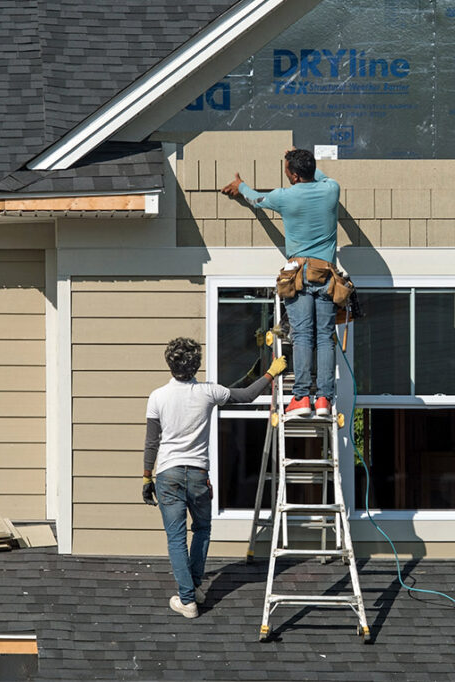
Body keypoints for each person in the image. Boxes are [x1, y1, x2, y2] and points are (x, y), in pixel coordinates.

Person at [142, 337, 286, 618]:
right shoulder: (208, 392)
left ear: (169, 363)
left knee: (175, 538)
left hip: (168, 474)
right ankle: (192, 588)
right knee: (203, 529)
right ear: (196, 365)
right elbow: (246, 396)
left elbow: (151, 443)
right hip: (197, 474)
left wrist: (147, 477)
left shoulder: (157, 396)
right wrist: (271, 372)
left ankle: (188, 598)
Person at [221, 148, 340, 419]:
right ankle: (323, 399)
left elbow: (256, 199)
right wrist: (304, 162)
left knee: (302, 335)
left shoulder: (284, 197)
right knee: (324, 338)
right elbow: (319, 177)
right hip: (327, 276)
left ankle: (301, 398)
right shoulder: (332, 189)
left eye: (288, 170)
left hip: (298, 274)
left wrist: (241, 185)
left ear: (294, 176)